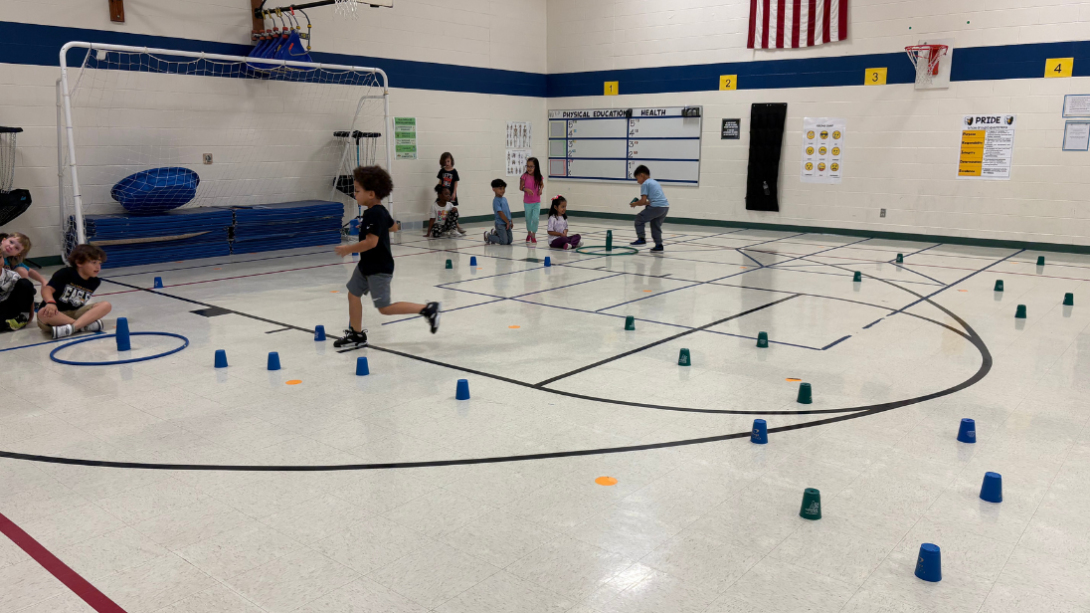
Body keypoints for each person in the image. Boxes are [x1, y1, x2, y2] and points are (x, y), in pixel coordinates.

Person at [334, 166, 440, 349]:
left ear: (371, 194)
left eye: (357, 191)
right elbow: (394, 227)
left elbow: (371, 243)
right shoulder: (379, 212)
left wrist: (347, 249)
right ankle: (356, 334)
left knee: (384, 308)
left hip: (378, 268)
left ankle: (427, 310)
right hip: (366, 265)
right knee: (353, 294)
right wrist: (373, 227)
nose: (354, 193)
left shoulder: (374, 214)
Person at [37, 244, 112, 339]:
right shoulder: (65, 273)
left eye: (99, 263)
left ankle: (73, 327)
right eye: (93, 262)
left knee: (106, 305)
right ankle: (83, 326)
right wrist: (50, 302)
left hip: (76, 313)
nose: (98, 267)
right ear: (79, 263)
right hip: (56, 313)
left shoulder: (95, 282)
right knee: (42, 313)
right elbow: (47, 289)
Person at [629, 165, 670, 253]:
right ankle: (659, 245)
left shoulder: (645, 184)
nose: (637, 181)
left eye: (637, 178)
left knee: (639, 219)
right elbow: (651, 200)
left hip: (656, 207)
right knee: (655, 225)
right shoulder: (654, 182)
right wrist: (643, 203)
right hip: (665, 207)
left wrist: (635, 203)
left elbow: (643, 201)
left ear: (642, 175)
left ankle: (641, 239)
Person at [436, 152, 466, 236]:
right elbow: (440, 181)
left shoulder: (454, 171)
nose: (447, 163)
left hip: (450, 194)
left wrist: (454, 193)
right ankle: (443, 226)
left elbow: (456, 183)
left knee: (452, 210)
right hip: (443, 194)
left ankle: (457, 227)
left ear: (451, 161)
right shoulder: (442, 171)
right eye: (445, 162)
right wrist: (438, 191)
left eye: (448, 161)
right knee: (442, 210)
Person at [0, 266, 35, 332]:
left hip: (11, 305)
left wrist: (30, 316)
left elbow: (28, 292)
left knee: (25, 283)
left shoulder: (12, 275)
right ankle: (7, 324)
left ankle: (23, 317)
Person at [520, 157, 544, 244]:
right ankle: (529, 232)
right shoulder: (524, 176)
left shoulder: (538, 177)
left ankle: (533, 234)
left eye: (531, 167)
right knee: (528, 218)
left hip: (536, 201)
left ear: (536, 167)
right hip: (527, 202)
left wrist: (540, 189)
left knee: (536, 218)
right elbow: (520, 188)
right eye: (528, 166)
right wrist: (526, 189)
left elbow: (542, 185)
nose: (529, 168)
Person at [485, 179, 514, 245]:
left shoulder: (504, 199)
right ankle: (489, 236)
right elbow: (500, 213)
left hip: (507, 222)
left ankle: (496, 233)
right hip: (500, 224)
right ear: (494, 189)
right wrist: (507, 222)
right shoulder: (496, 201)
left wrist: (510, 220)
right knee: (504, 242)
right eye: (500, 188)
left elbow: (508, 211)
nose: (502, 191)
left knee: (509, 241)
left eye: (504, 189)